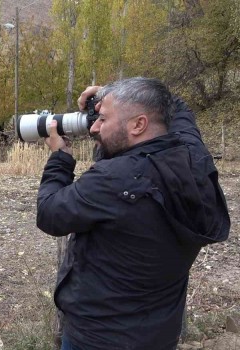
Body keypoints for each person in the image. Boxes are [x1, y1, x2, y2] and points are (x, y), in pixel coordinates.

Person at [36, 77, 230, 350]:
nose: (93, 126)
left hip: (97, 338)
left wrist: (60, 157)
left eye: (102, 119)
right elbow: (177, 107)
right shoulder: (193, 157)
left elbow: (49, 213)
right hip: (159, 335)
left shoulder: (114, 180)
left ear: (139, 124)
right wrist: (112, 93)